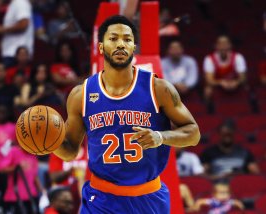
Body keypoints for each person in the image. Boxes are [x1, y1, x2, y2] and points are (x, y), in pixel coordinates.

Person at [52, 15, 200, 213]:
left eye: (127, 39)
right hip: (101, 199)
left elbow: (193, 133)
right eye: (113, 39)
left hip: (148, 198)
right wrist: (51, 143)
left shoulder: (158, 89)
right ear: (101, 47)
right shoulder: (81, 94)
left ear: (133, 47)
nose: (121, 44)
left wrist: (160, 137)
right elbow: (69, 150)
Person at [0, 0, 34, 68]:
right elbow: (9, 35)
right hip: (9, 53)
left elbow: (24, 24)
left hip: (17, 54)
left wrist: (1, 29)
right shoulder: (12, 5)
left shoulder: (20, 2)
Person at [203, 35, 247, 101]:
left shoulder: (238, 57)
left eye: (225, 44)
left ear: (230, 45)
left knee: (246, 87)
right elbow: (209, 80)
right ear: (216, 46)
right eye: (220, 44)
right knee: (207, 90)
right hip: (218, 85)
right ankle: (208, 109)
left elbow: (243, 78)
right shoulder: (209, 59)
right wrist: (221, 82)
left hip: (235, 85)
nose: (223, 46)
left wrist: (236, 82)